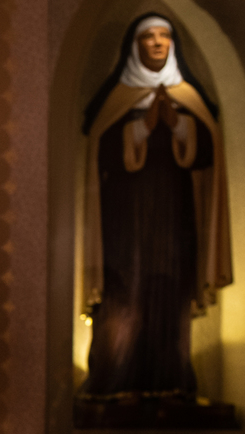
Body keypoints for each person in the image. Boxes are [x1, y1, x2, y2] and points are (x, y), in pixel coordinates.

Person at [78, 12, 231, 408]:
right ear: (135, 45)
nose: (159, 42)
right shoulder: (117, 100)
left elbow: (208, 153)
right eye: (150, 36)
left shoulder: (188, 98)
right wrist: (143, 126)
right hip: (125, 219)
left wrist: (178, 125)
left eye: (165, 35)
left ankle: (171, 380)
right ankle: (113, 380)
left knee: (169, 292)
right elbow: (100, 152)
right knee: (124, 296)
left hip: (173, 217)